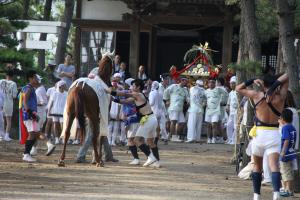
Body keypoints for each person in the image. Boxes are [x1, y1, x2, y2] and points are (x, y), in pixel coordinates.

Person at [236, 73, 289, 200]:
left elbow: (238, 88)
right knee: (274, 166)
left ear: (262, 84)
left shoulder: (256, 95)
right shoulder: (280, 97)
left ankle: (256, 195)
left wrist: (252, 80)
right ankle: (276, 193)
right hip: (274, 133)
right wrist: (273, 87)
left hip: (260, 134)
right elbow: (286, 76)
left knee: (257, 166)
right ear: (274, 85)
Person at [108, 79, 160, 167]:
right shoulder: (137, 96)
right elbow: (125, 101)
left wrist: (109, 91)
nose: (131, 88)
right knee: (150, 141)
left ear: (138, 87)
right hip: (151, 118)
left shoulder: (138, 94)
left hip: (148, 119)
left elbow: (123, 94)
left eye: (133, 86)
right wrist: (114, 100)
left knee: (136, 140)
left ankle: (151, 157)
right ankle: (157, 161)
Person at [21, 70, 56, 162]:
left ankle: (28, 153)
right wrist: (30, 112)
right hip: (29, 115)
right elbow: (24, 101)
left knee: (34, 133)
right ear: (30, 78)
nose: (37, 80)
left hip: (32, 114)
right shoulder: (28, 88)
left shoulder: (31, 88)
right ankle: (26, 154)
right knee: (33, 133)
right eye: (35, 78)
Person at [163, 76, 189, 142]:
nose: (186, 82)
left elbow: (187, 98)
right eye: (185, 81)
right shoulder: (174, 86)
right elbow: (166, 91)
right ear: (181, 81)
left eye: (186, 81)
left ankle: (176, 136)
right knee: (173, 121)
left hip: (180, 109)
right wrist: (167, 100)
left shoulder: (185, 90)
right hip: (173, 107)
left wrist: (189, 102)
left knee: (182, 122)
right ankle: (173, 137)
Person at [278, 109, 297, 197]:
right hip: (291, 152)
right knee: (289, 171)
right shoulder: (292, 127)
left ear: (283, 119)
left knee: (286, 172)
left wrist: (282, 151)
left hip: (286, 154)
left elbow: (286, 139)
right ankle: (288, 189)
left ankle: (288, 190)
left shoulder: (285, 128)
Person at [48, 80, 68, 145]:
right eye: (64, 85)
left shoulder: (67, 94)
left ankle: (62, 138)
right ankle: (56, 139)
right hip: (55, 111)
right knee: (55, 125)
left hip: (63, 112)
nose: (65, 86)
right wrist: (49, 111)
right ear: (61, 86)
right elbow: (51, 103)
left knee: (63, 126)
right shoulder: (54, 93)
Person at [0, 70, 18, 141]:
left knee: (1, 119)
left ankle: (1, 135)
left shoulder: (0, 81)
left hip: (0, 102)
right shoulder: (13, 83)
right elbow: (14, 96)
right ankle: (6, 136)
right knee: (8, 120)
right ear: (12, 76)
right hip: (8, 103)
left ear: (6, 75)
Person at [204, 79, 223, 144]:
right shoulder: (206, 91)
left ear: (215, 84)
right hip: (208, 110)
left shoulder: (218, 90)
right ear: (208, 84)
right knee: (208, 125)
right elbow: (204, 99)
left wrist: (222, 102)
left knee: (214, 124)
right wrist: (205, 103)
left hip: (216, 110)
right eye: (210, 82)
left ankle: (214, 139)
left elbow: (224, 95)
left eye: (213, 83)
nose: (211, 84)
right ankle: (209, 139)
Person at [226, 76, 238, 145]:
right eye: (231, 83)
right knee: (228, 125)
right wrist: (227, 106)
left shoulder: (238, 92)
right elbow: (228, 102)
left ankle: (234, 140)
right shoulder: (230, 93)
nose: (232, 85)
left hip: (237, 111)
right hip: (231, 112)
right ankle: (230, 139)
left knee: (235, 126)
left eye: (233, 83)